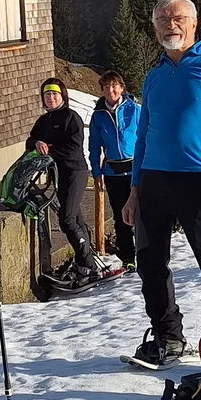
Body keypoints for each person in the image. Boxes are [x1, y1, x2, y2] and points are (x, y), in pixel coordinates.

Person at [120, 0, 201, 367]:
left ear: (194, 23)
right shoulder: (154, 75)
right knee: (150, 265)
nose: (169, 25)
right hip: (154, 183)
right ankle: (168, 338)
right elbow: (142, 136)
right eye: (162, 19)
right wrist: (134, 190)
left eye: (177, 18)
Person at [25, 77, 101, 284]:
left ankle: (86, 264)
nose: (50, 98)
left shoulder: (71, 117)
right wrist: (37, 142)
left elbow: (73, 146)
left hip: (75, 172)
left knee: (66, 220)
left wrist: (50, 150)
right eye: (47, 95)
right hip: (57, 174)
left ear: (62, 96)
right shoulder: (43, 121)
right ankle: (89, 265)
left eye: (54, 95)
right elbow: (29, 141)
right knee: (76, 219)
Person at [89, 70, 141, 270]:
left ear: (121, 88)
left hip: (136, 169)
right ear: (102, 90)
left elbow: (147, 137)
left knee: (144, 213)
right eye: (106, 87)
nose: (111, 90)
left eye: (114, 86)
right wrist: (96, 172)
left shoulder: (134, 110)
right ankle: (128, 258)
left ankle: (148, 253)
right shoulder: (98, 116)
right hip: (113, 172)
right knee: (121, 217)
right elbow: (94, 146)